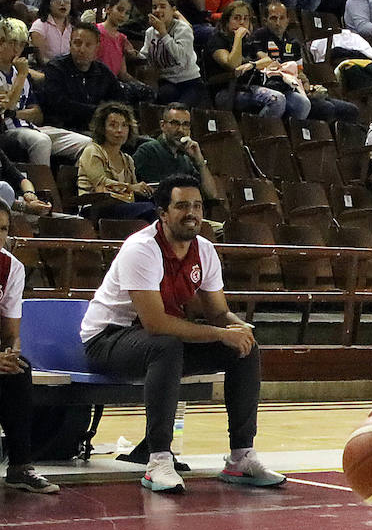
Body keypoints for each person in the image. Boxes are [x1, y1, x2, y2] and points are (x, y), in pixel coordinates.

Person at [80, 175, 287, 493]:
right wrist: (219, 333)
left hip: (161, 343)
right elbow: (156, 324)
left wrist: (238, 328)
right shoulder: (142, 249)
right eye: (181, 206)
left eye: (197, 206)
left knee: (244, 348)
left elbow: (218, 311)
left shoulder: (204, 250)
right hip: (108, 339)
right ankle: (158, 460)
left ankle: (241, 457)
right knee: (166, 345)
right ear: (162, 213)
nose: (191, 213)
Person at [0, 201, 58, 493]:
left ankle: (20, 466)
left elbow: (11, 332)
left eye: (3, 229)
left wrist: (9, 354)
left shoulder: (11, 267)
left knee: (19, 368)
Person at [0, 18, 91, 168]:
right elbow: (5, 110)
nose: (17, 50)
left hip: (31, 127)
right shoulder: (22, 72)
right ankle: (43, 189)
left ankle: (70, 186)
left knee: (86, 144)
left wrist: (15, 114)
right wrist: (22, 75)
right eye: (12, 43)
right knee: (41, 141)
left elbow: (37, 114)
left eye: (21, 44)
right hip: (8, 131)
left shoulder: (20, 72)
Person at [249, 0, 358, 123]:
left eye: (281, 18)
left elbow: (299, 73)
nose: (278, 23)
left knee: (350, 109)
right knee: (321, 107)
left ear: (288, 20)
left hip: (293, 88)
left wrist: (308, 87)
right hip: (272, 87)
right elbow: (264, 60)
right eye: (273, 18)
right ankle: (292, 134)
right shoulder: (259, 37)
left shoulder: (293, 42)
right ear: (265, 20)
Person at [208, 1, 310, 119]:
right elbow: (232, 65)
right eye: (236, 18)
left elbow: (268, 60)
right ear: (226, 21)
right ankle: (261, 132)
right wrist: (237, 38)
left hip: (250, 86)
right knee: (276, 100)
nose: (242, 22)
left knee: (302, 104)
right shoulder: (217, 40)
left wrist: (252, 65)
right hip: (227, 90)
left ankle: (285, 134)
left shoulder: (249, 40)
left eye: (245, 19)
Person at [39, 22, 130, 133]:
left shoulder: (103, 72)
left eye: (88, 45)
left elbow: (120, 101)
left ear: (97, 47)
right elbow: (60, 106)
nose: (82, 49)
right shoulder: (56, 68)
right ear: (70, 44)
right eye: (77, 43)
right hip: (64, 129)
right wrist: (100, 112)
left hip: (97, 128)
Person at [77, 100, 155, 221]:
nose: (119, 130)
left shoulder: (128, 159)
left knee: (161, 206)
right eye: (113, 125)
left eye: (124, 125)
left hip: (123, 206)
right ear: (102, 128)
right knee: (149, 209)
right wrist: (131, 187)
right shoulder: (93, 151)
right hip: (95, 208)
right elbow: (101, 183)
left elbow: (134, 192)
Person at [132, 103, 214, 186]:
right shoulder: (148, 151)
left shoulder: (185, 159)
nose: (180, 130)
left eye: (185, 124)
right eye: (175, 123)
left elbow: (212, 195)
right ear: (162, 125)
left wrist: (200, 162)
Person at [30, 0, 75, 64]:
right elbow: (41, 59)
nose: (62, 3)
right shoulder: (40, 26)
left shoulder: (74, 28)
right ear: (48, 3)